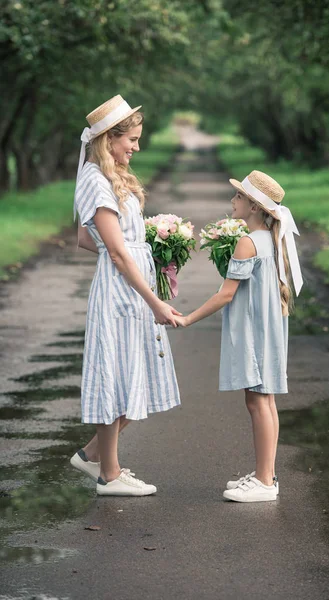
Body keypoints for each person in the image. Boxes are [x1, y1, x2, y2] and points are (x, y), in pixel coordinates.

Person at [70, 95, 181, 496]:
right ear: (108, 139)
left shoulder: (111, 175)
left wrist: (147, 253)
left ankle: (93, 458)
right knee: (116, 373)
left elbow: (88, 239)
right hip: (121, 291)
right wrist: (152, 298)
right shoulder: (96, 180)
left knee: (139, 374)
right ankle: (109, 474)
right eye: (131, 139)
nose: (136, 146)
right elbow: (111, 250)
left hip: (131, 282)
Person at [175, 170, 303, 502]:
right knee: (267, 400)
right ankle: (267, 475)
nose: (232, 201)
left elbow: (225, 294)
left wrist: (188, 318)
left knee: (257, 401)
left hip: (255, 330)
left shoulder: (247, 242)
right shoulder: (269, 240)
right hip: (269, 328)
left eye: (239, 197)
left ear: (255, 207)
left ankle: (263, 481)